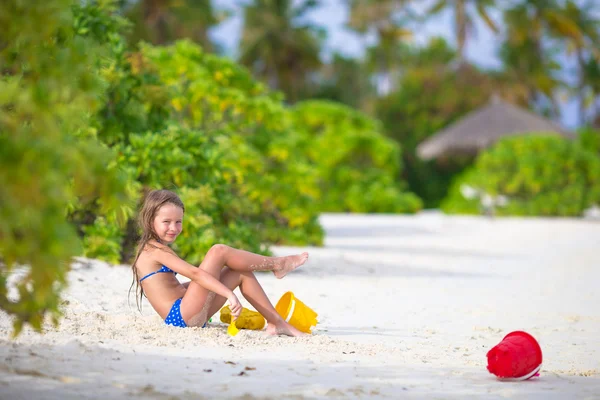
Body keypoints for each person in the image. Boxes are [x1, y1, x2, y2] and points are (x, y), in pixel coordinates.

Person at [129, 189, 309, 337]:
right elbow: (195, 274)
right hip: (181, 315)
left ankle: (276, 323)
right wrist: (228, 293)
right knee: (218, 251)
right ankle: (278, 264)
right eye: (166, 222)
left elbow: (170, 287)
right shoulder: (152, 250)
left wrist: (218, 281)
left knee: (239, 273)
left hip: (185, 309)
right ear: (150, 220)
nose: (174, 228)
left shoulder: (156, 247)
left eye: (178, 222)